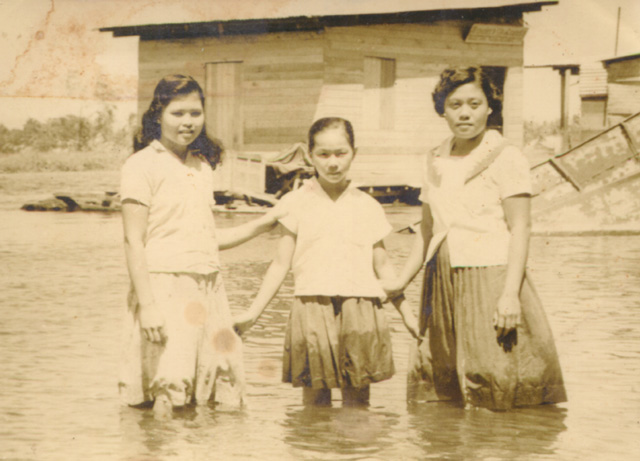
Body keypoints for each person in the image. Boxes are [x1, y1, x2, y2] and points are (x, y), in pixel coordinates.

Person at [384, 67, 567, 410]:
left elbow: (521, 228)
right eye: (454, 104)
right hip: (441, 278)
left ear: (490, 107)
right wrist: (399, 281)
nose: (465, 113)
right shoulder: (434, 157)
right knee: (441, 381)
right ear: (442, 108)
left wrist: (510, 294)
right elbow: (427, 230)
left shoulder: (506, 155)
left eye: (474, 103)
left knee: (493, 374)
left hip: (491, 276)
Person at [118, 74, 281, 418]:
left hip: (209, 287)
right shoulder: (141, 165)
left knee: (220, 382)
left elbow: (204, 241)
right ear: (158, 115)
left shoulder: (201, 165)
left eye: (195, 112)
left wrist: (264, 223)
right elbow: (134, 241)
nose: (187, 122)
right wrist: (147, 305)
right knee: (169, 384)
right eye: (178, 113)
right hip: (165, 289)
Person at [234, 117, 419, 406]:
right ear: (310, 156)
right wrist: (253, 313)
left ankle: (355, 453)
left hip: (361, 308)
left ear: (354, 153)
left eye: (340, 153)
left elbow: (383, 267)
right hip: (311, 307)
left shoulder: (368, 205)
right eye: (323, 154)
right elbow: (281, 264)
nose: (332, 162)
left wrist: (408, 315)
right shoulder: (295, 202)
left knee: (358, 403)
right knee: (314, 405)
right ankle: (315, 450)